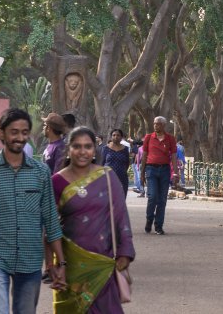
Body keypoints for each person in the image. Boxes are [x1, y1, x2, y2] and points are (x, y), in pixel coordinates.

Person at [0, 108, 66, 313]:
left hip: (30, 260)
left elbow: (51, 222)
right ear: (2, 133)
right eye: (14, 132)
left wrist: (59, 263)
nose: (20, 137)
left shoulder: (41, 172)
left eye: (24, 132)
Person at [52, 127, 135, 313]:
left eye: (88, 146)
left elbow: (120, 215)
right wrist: (53, 265)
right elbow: (50, 226)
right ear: (68, 149)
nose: (83, 151)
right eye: (77, 146)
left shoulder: (107, 176)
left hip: (102, 261)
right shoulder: (57, 182)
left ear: (94, 150)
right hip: (71, 264)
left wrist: (125, 251)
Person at [140, 116, 179, 235]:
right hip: (151, 169)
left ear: (163, 125)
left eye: (158, 124)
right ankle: (149, 219)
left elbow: (173, 157)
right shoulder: (148, 137)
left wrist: (176, 173)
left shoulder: (170, 139)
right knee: (152, 197)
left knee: (162, 200)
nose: (155, 126)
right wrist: (142, 173)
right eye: (154, 124)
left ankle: (158, 226)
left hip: (165, 170)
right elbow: (144, 155)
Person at [100, 129, 131, 199]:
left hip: (122, 178)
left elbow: (127, 163)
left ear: (121, 137)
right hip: (108, 178)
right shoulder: (105, 148)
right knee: (108, 200)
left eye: (118, 135)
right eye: (113, 135)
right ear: (111, 137)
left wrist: (121, 171)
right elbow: (102, 163)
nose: (116, 137)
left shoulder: (125, 149)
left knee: (121, 200)